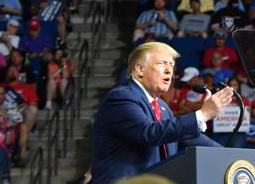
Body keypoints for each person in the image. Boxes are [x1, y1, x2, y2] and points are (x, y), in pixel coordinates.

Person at [89, 42, 232, 184]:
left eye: (171, 65)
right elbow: (148, 133)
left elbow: (188, 139)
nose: (169, 70)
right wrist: (203, 114)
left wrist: (230, 157)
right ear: (140, 69)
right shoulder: (121, 97)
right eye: (162, 63)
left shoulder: (162, 107)